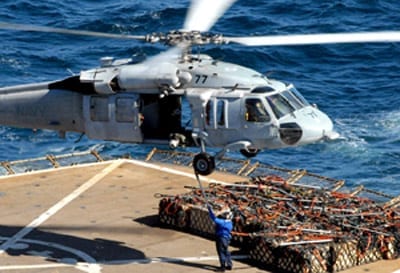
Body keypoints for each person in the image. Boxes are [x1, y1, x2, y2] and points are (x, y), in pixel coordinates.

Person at [207, 204, 233, 272]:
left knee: (221, 252)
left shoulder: (222, 222)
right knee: (226, 251)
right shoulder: (230, 223)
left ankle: (223, 267)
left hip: (221, 238)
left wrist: (210, 210)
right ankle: (229, 264)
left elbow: (213, 218)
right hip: (226, 238)